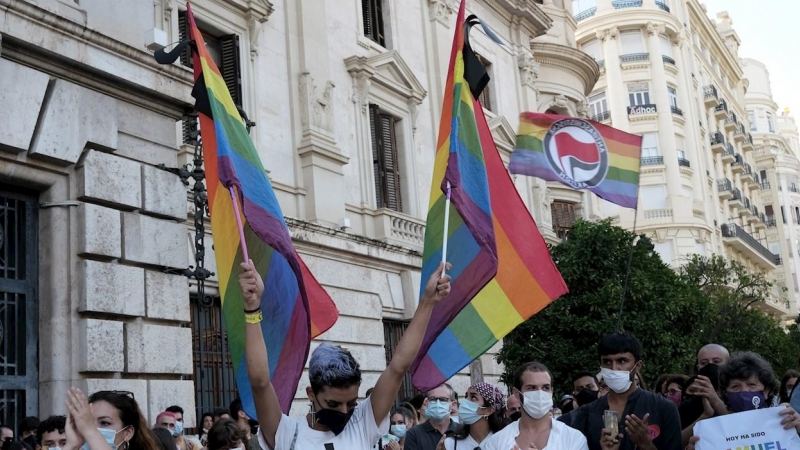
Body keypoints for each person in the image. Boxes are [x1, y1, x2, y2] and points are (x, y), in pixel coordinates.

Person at [239, 260, 452, 450]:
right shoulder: (287, 434)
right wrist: (252, 307)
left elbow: (398, 367)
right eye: (333, 404)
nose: (343, 411)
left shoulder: (363, 422)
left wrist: (427, 302)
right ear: (311, 394)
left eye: (351, 404)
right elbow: (260, 382)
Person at [567, 332, 681, 450]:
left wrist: (646, 445)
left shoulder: (664, 408)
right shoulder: (586, 414)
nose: (614, 368)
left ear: (637, 365)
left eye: (622, 361)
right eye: (607, 362)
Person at [686, 352, 800, 450]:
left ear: (766, 391)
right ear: (727, 393)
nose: (744, 391)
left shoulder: (785, 420)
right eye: (735, 387)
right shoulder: (712, 431)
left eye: (751, 385)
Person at [482, 362, 587, 450]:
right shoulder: (496, 443)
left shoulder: (573, 439)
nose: (540, 394)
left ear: (552, 391)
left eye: (545, 387)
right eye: (532, 388)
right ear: (517, 394)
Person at [62, 388, 159, 450]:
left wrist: (90, 431)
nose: (92, 427)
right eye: (89, 422)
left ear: (128, 433)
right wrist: (72, 445)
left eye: (104, 423)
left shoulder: (90, 431)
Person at [443, 382, 506, 450]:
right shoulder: (451, 443)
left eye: (473, 397)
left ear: (489, 410)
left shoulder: (503, 442)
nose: (465, 401)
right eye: (466, 396)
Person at [404, 383, 459, 450]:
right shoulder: (414, 434)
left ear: (453, 404)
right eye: (433, 399)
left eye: (443, 399)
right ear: (426, 403)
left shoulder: (462, 431)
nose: (438, 403)